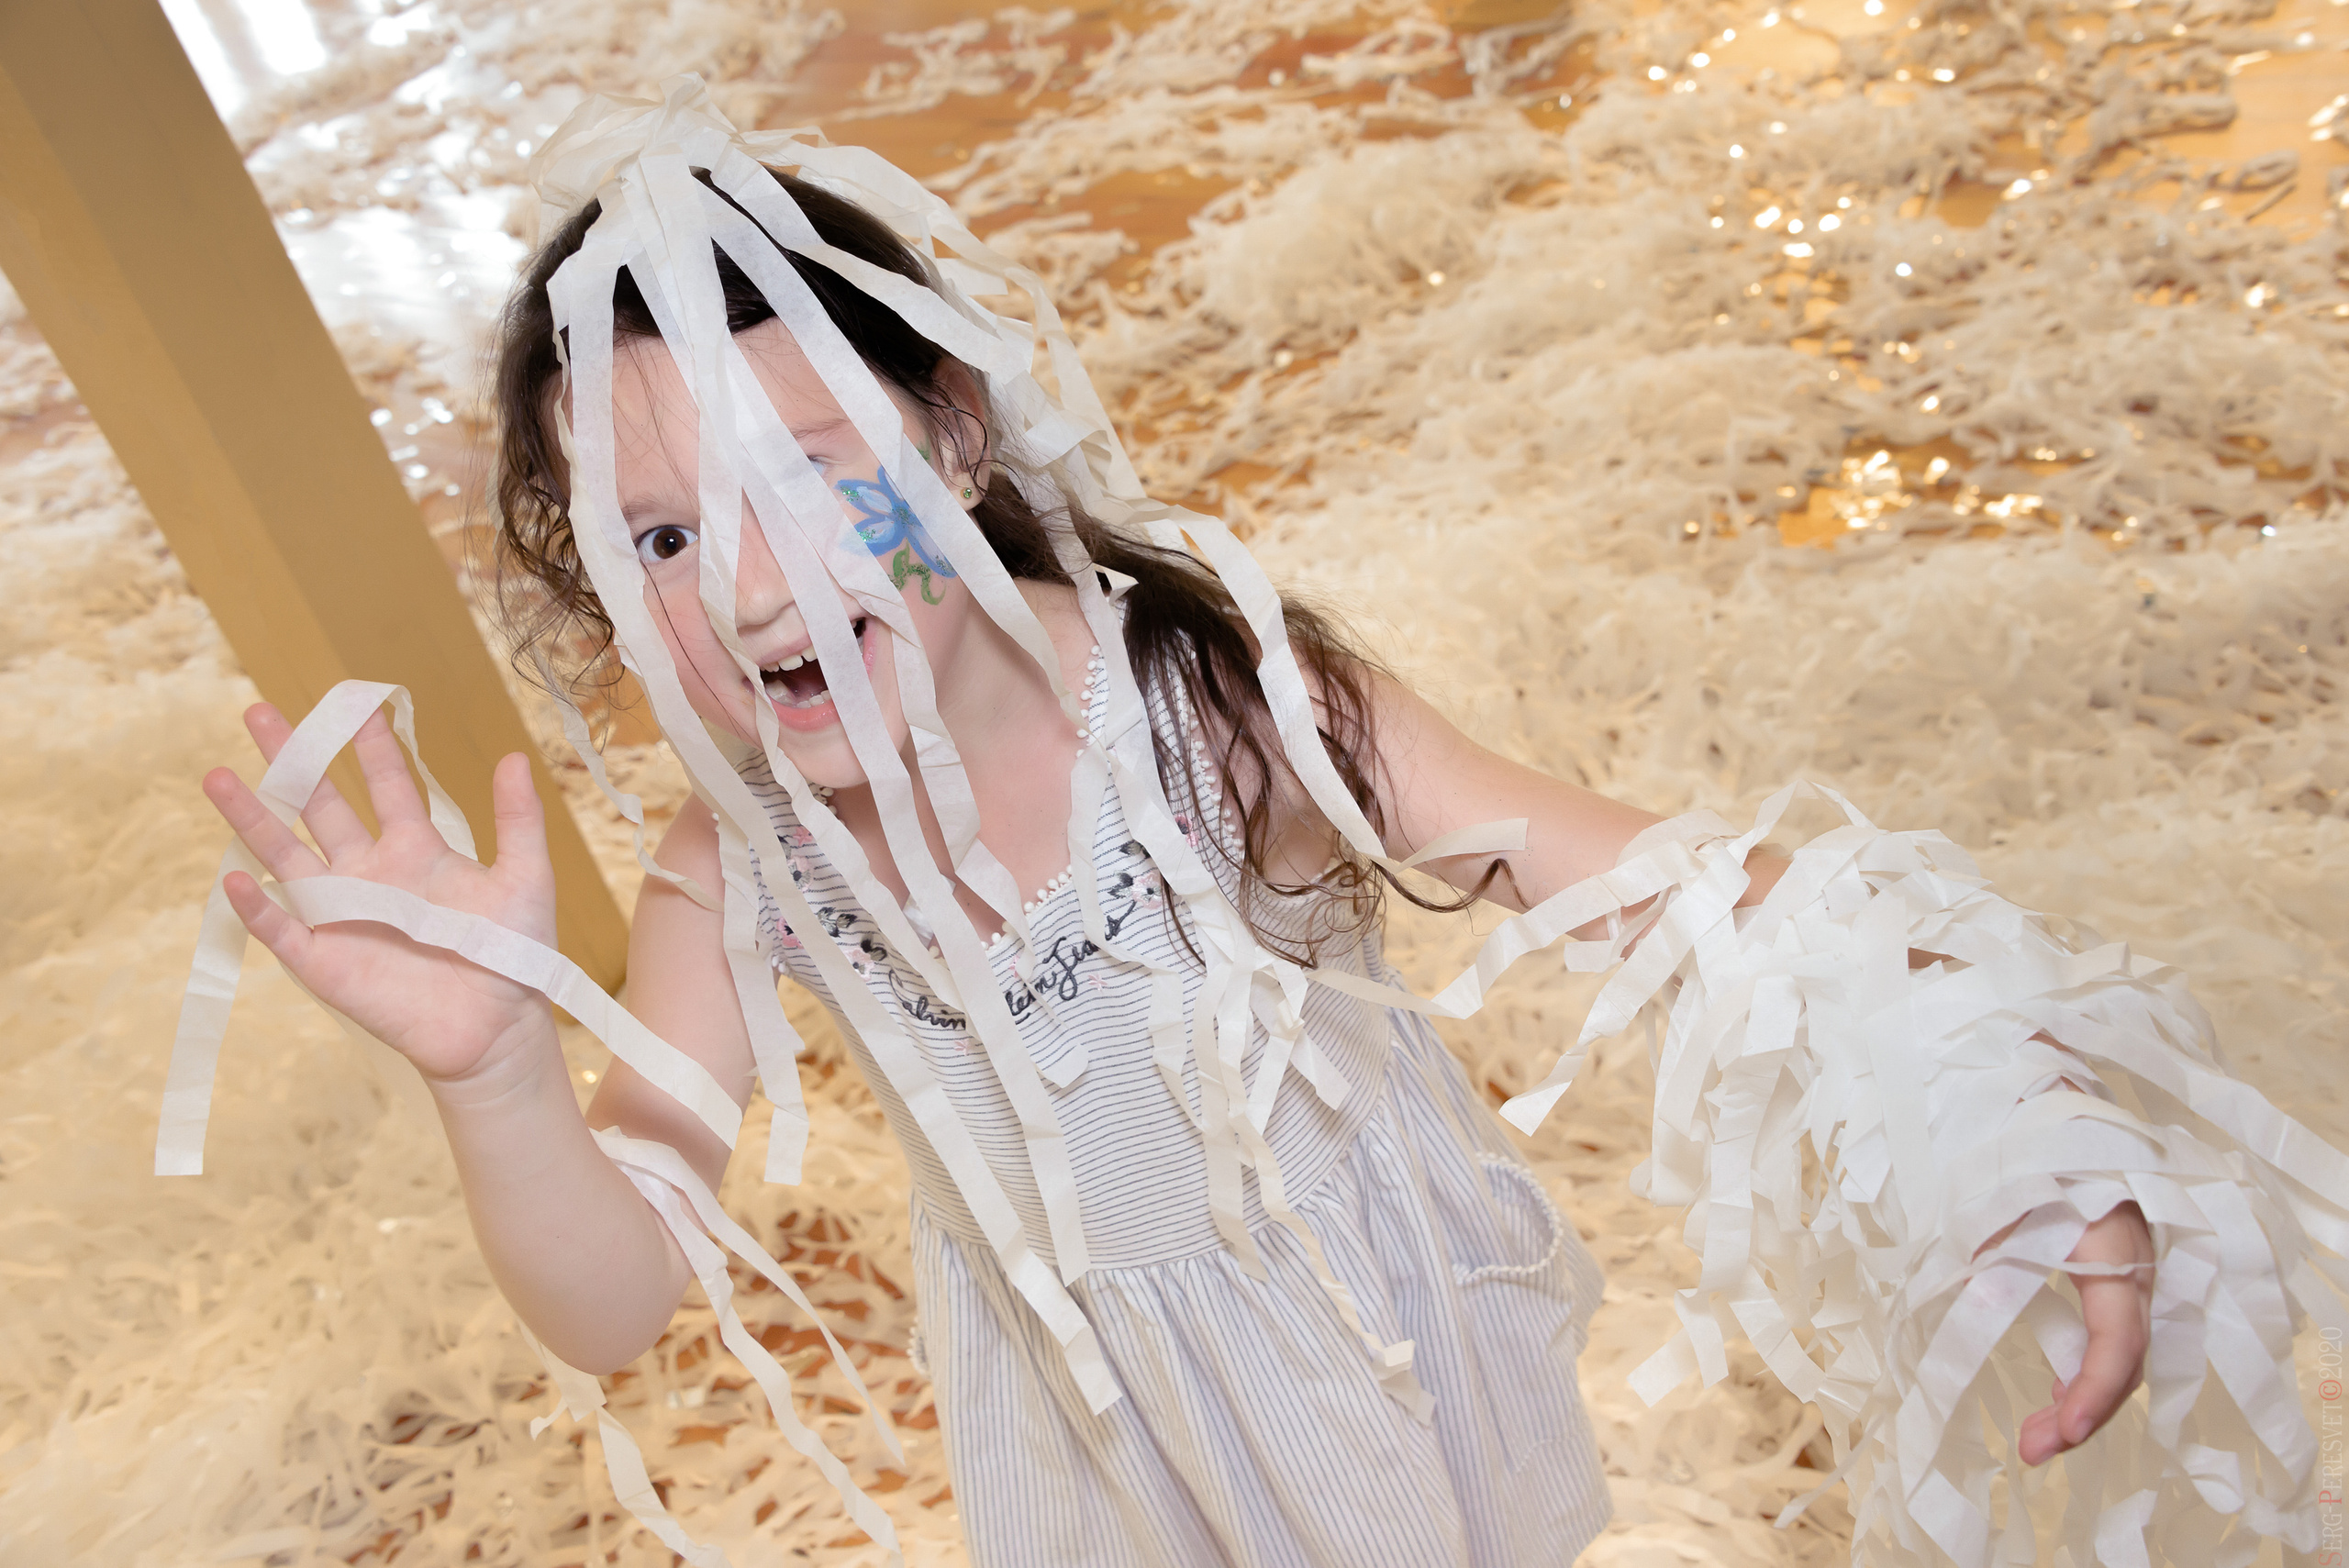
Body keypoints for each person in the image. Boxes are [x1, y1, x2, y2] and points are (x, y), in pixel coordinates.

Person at [180, 79, 2338, 1568]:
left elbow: (1679, 896)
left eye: (802, 480)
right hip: (1095, 1447)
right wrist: (492, 1082)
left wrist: (1994, 1132)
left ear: (946, 422)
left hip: (1373, 1364)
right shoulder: (733, 851)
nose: (747, 591)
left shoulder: (1206, 714)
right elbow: (616, 1297)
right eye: (656, 532)